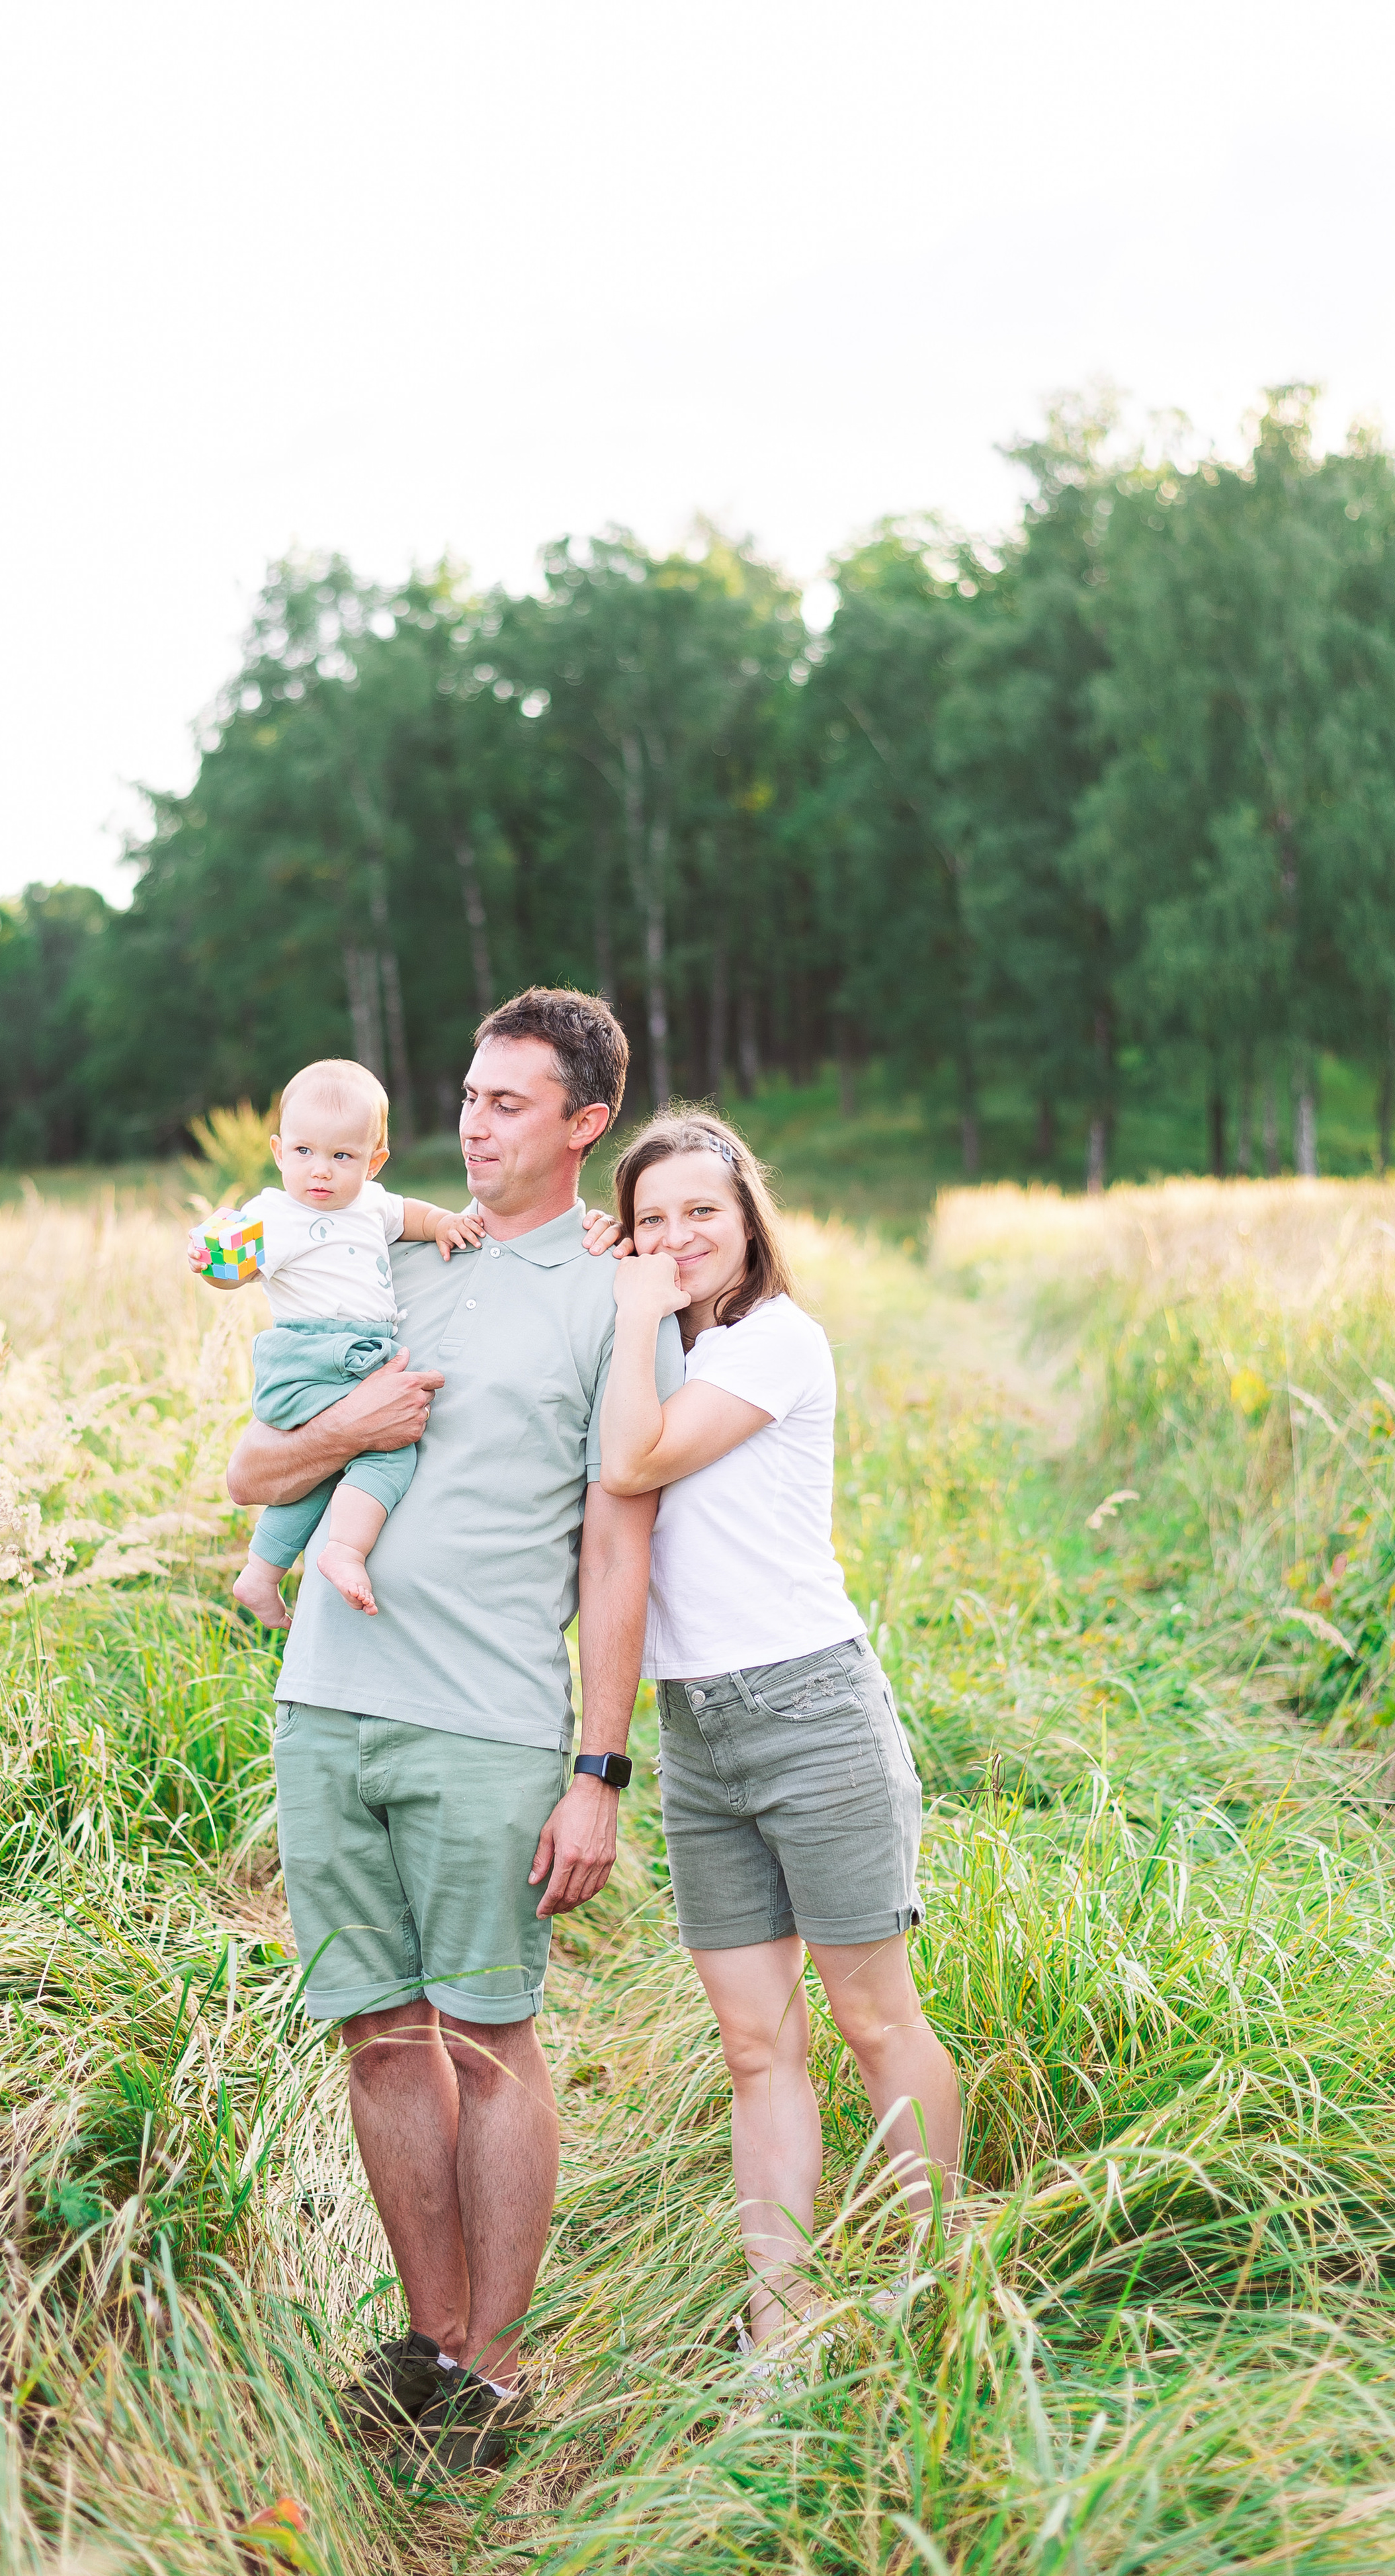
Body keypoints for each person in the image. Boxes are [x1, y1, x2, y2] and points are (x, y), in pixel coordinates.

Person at [224, 990, 681, 2468]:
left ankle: (492, 2368)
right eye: (469, 1095)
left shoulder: (613, 1296)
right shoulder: (384, 1255)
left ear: (584, 1124)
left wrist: (597, 1768)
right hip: (325, 1706)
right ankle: (427, 2342)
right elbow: (252, 1471)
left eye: (508, 1102)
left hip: (488, 1720)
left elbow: (617, 1551)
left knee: (486, 2038)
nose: (473, 1124)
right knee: (376, 2036)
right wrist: (348, 1429)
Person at [593, 1110, 962, 2347]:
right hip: (698, 1733)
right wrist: (615, 1293)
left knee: (874, 2020)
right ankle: (781, 2317)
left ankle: (938, 2280)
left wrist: (629, 1307)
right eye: (650, 1218)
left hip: (810, 1712)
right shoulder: (661, 1343)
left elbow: (634, 1462)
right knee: (756, 2045)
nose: (677, 1235)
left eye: (702, 1209)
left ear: (749, 1217)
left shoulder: (776, 1340)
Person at [188, 1057, 481, 1623]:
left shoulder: (371, 1203)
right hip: (313, 1356)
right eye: (304, 1152)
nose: (319, 1171)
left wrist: (443, 1223)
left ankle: (261, 1573)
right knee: (390, 1452)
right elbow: (237, 1271)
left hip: (348, 1356)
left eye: (341, 1157)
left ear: (374, 1162)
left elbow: (410, 1215)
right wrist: (212, 1266)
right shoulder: (273, 1213)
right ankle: (345, 1550)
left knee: (320, 1469)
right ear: (279, 1152)